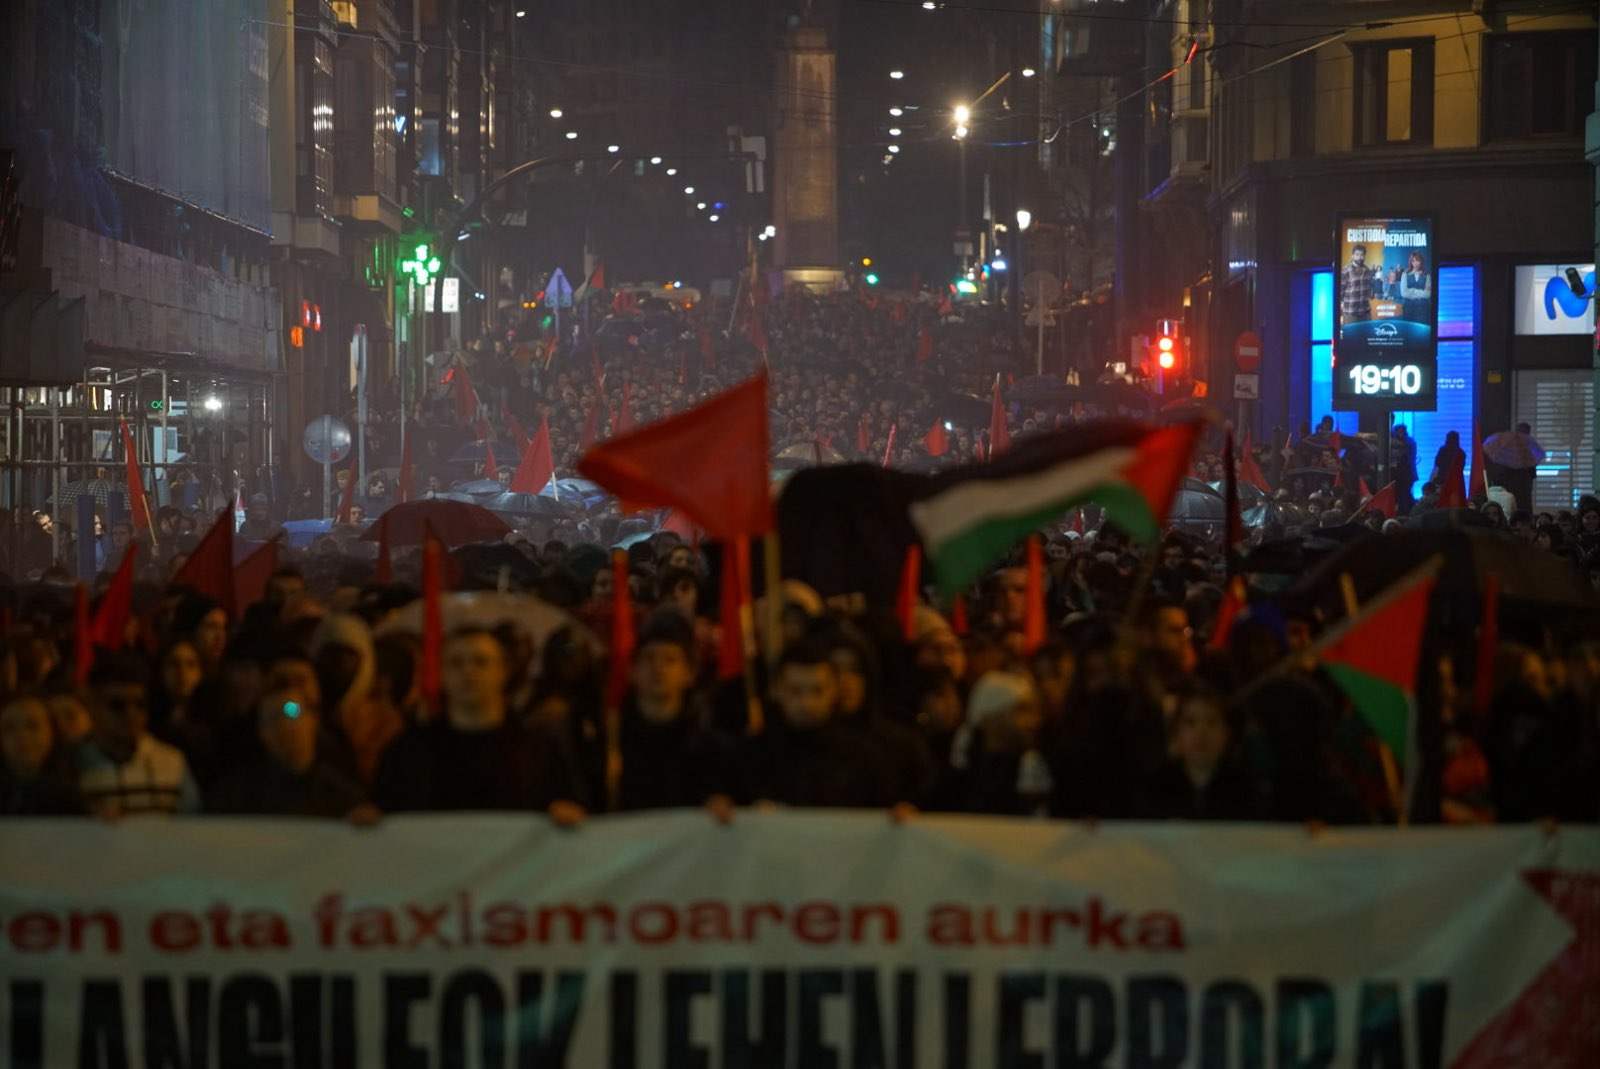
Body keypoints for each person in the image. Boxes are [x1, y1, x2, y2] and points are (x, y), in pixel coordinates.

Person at [373, 629, 588, 819]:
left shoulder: (539, 750)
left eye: (480, 662)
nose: (468, 672)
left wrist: (566, 812)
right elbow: (383, 809)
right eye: (456, 663)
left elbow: (569, 804)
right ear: (442, 674)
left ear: (502, 671)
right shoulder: (410, 751)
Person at [207, 688, 368, 819]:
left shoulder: (339, 793)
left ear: (314, 721)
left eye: (292, 712)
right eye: (271, 718)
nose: (285, 726)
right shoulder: (236, 794)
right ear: (261, 734)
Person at [75, 654, 202, 817]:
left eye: (140, 705)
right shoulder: (72, 764)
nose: (131, 714)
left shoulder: (172, 762)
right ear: (93, 705)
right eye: (117, 706)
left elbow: (193, 827)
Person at [1, 695, 80, 815]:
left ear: (52, 732)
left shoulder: (78, 790)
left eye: (32, 726)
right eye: (9, 728)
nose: (21, 736)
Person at [1340, 244, 1374, 325]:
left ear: (1364, 256)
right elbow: (1340, 292)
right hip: (1351, 313)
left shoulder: (1367, 270)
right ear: (1353, 255)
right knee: (1351, 337)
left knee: (1366, 336)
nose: (1359, 257)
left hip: (1365, 312)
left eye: (1362, 255)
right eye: (1357, 254)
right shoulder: (1346, 271)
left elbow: (1369, 290)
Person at [1400, 250, 1431, 323]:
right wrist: (1420, 293)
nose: (1415, 263)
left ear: (1421, 261)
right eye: (1413, 261)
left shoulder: (1427, 275)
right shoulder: (1405, 274)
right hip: (1408, 310)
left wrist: (1411, 291)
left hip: (1423, 310)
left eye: (1417, 261)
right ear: (1411, 262)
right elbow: (1404, 293)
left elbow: (1427, 294)